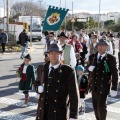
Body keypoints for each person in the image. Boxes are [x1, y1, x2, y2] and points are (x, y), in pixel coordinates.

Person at [34, 44, 79, 120]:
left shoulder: (68, 71)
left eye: (56, 53)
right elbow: (37, 82)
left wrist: (73, 116)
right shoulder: (42, 68)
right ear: (48, 55)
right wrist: (37, 88)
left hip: (58, 113)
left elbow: (74, 95)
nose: (53, 56)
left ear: (60, 54)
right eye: (51, 53)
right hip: (43, 112)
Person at [88, 39, 118, 120]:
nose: (100, 47)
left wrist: (114, 87)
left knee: (101, 105)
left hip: (104, 85)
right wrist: (89, 68)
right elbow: (89, 73)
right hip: (94, 85)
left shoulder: (111, 58)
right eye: (99, 45)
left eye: (102, 45)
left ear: (107, 47)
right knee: (95, 106)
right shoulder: (92, 57)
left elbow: (114, 73)